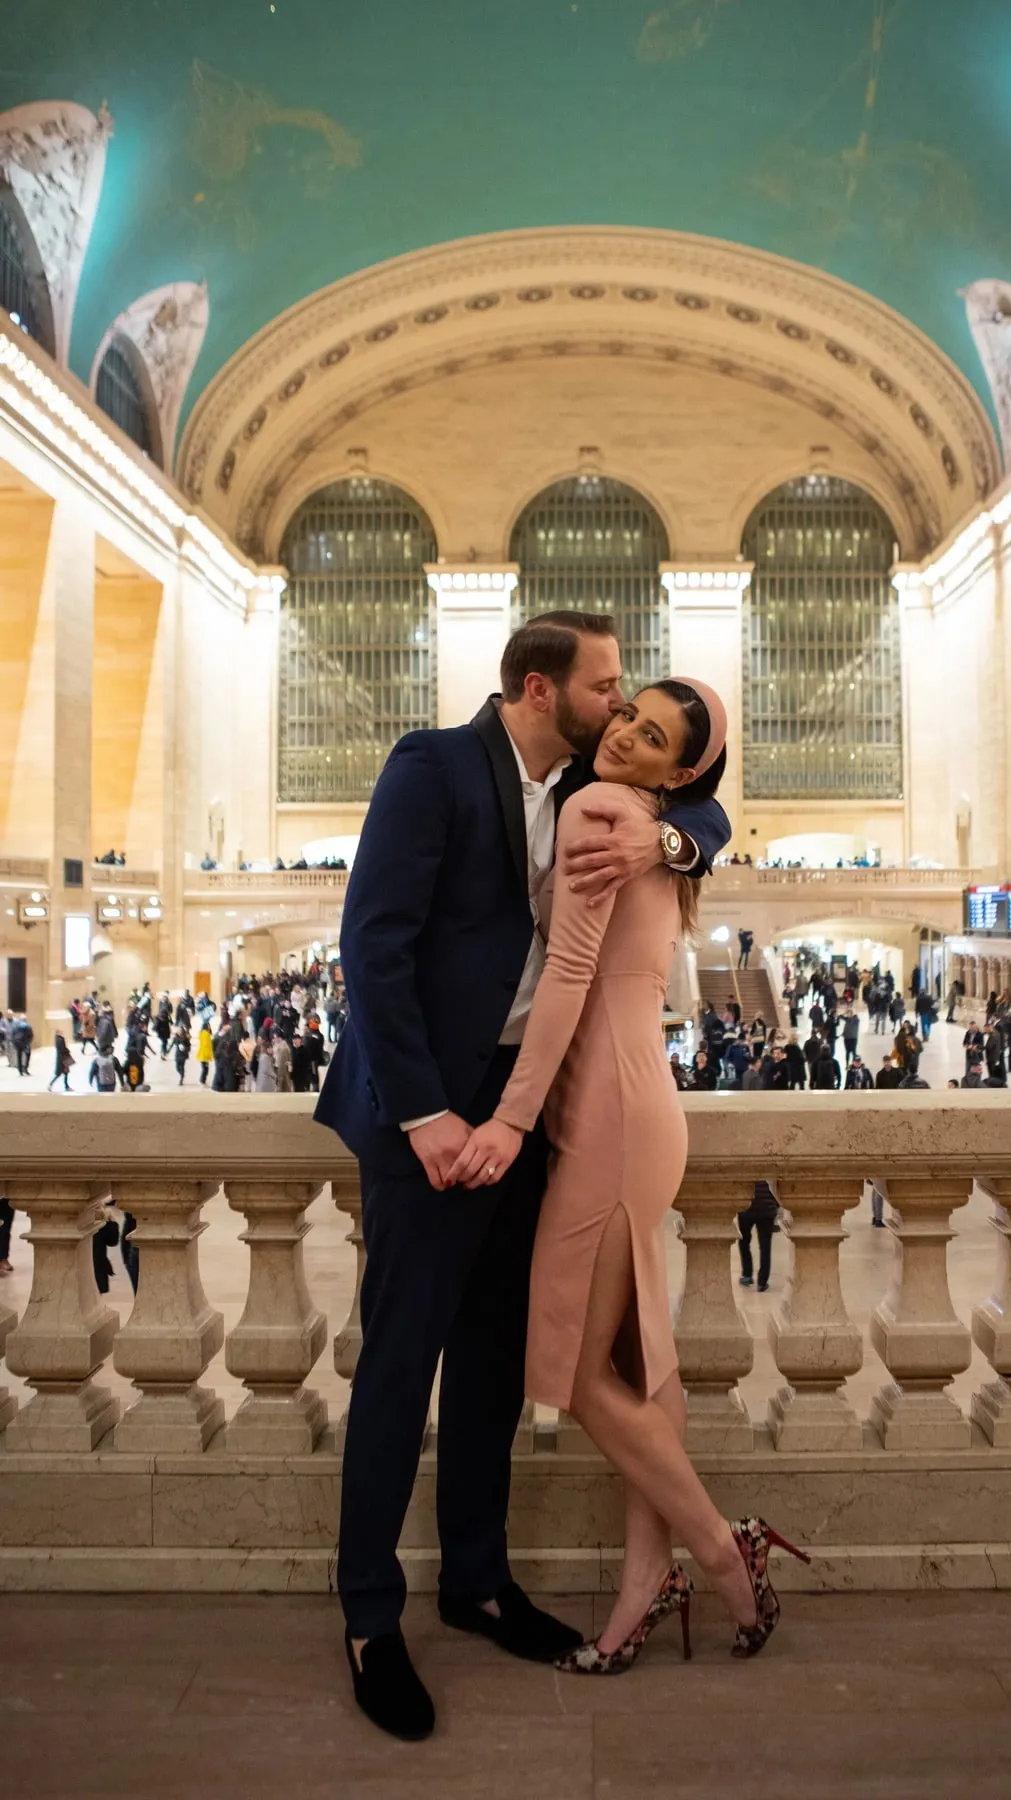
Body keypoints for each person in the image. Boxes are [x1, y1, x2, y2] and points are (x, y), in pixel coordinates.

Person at [314, 614, 732, 1740]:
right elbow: (374, 947)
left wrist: (677, 844)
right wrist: (424, 1116)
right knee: (402, 1366)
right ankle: (369, 1618)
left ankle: (480, 1581)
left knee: (495, 1360)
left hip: (532, 1118)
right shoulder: (432, 766)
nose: (622, 703)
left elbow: (708, 804)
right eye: (609, 688)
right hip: (433, 1124)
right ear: (546, 692)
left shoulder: (615, 798)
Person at [452, 674, 806, 1682]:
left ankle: (718, 1551)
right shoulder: (657, 821)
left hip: (604, 1121)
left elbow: (567, 977)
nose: (622, 736)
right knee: (638, 1363)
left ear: (679, 770)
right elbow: (700, 826)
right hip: (636, 1111)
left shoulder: (602, 810)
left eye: (651, 736)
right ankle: (643, 1584)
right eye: (627, 716)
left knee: (570, 1372)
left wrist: (511, 1118)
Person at [737, 1179, 780, 1293]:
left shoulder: (745, 1163)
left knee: (743, 1241)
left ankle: (747, 1274)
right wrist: (776, 1205)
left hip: (747, 1208)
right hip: (766, 1209)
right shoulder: (771, 1162)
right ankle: (762, 1282)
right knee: (765, 1247)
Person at [196, 1017, 214, 1086]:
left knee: (204, 1068)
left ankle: (202, 1080)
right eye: (208, 1026)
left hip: (202, 1054)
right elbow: (206, 1045)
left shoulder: (202, 1033)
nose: (209, 1027)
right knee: (205, 1069)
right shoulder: (206, 1034)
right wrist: (208, 1056)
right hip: (205, 1055)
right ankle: (202, 1081)